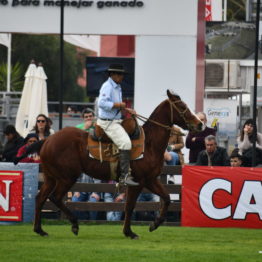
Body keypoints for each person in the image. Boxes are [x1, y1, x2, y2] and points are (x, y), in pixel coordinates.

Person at [97, 64, 138, 186]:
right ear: (113, 75)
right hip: (107, 122)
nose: (122, 77)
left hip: (116, 120)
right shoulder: (107, 86)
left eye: (122, 74)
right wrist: (118, 105)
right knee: (126, 143)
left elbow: (118, 106)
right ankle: (124, 176)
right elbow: (101, 103)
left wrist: (128, 110)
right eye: (119, 74)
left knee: (136, 130)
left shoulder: (117, 87)